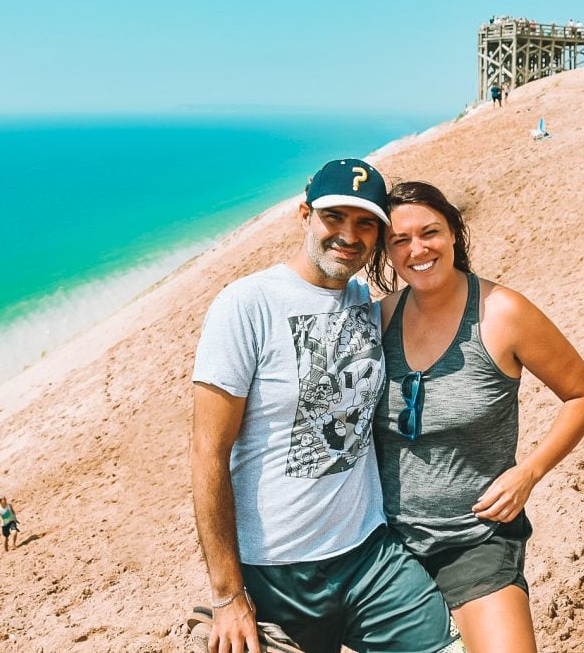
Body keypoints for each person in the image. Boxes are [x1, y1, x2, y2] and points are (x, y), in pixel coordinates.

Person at [191, 159, 459, 653]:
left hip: (370, 555)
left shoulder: (364, 300)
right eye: (334, 217)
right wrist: (228, 595)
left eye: (365, 224)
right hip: (275, 572)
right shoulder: (246, 304)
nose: (348, 235)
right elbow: (208, 451)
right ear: (304, 213)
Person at [366, 182, 584, 653]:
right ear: (387, 252)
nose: (418, 249)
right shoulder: (379, 318)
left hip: (476, 538)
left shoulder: (502, 312)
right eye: (400, 241)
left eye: (430, 232)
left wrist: (528, 472)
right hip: (386, 546)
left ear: (454, 230)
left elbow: (583, 395)